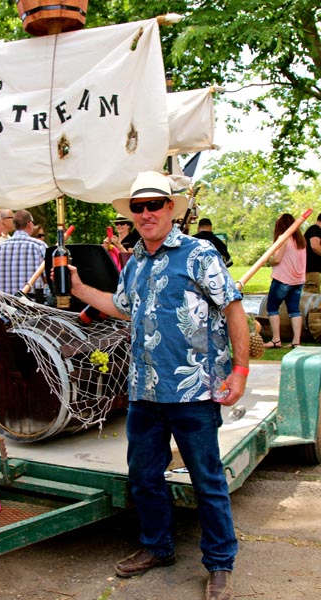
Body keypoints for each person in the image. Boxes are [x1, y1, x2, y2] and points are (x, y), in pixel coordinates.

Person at [65, 171, 249, 600]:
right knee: (144, 477)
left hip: (194, 392)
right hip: (145, 391)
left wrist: (239, 372)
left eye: (154, 205)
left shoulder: (200, 253)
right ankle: (158, 547)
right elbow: (121, 307)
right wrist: (77, 287)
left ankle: (220, 563)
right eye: (138, 207)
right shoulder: (135, 262)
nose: (146, 213)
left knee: (206, 481)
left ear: (171, 209)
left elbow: (234, 309)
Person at [264, 213, 306, 349]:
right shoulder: (300, 240)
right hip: (298, 280)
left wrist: (267, 261)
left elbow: (276, 259)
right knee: (294, 310)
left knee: (272, 307)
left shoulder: (284, 238)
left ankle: (276, 339)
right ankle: (296, 341)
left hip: (283, 279)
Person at [0, 209, 46, 300]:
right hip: (33, 307)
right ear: (30, 224)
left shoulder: (0, 247)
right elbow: (49, 278)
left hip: (6, 307)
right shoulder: (39, 246)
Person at [303, 213, 321, 294]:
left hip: (312, 269)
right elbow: (315, 246)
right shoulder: (315, 229)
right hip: (311, 270)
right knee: (312, 295)